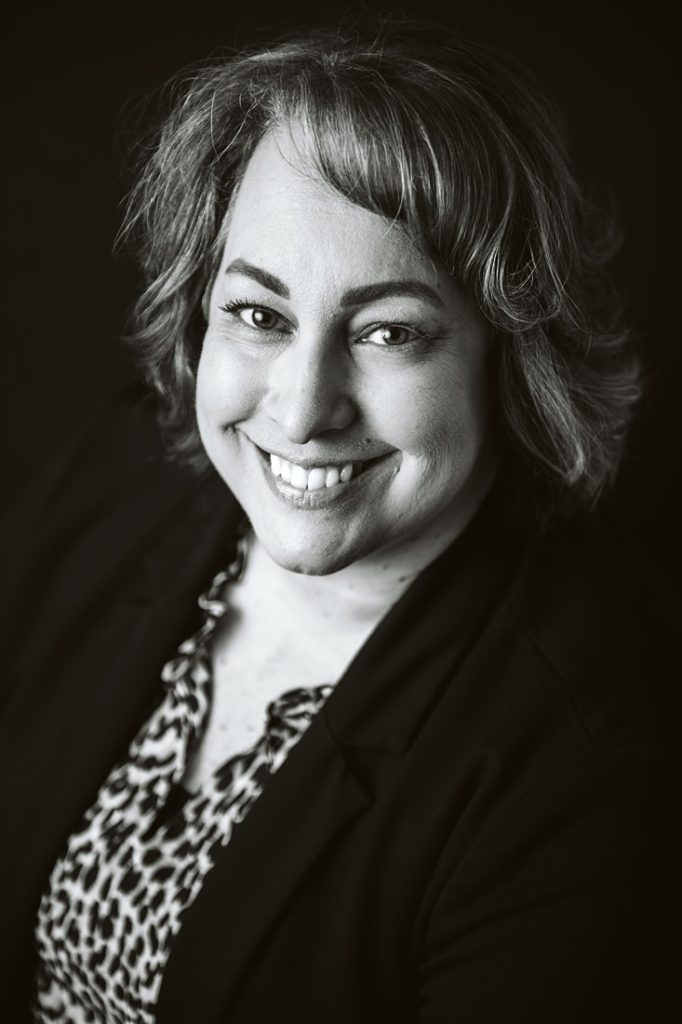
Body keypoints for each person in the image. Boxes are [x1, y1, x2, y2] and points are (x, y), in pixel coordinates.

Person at [0, 17, 662, 1023]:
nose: (303, 409)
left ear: (508, 356)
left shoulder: (586, 755)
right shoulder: (123, 471)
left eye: (389, 331)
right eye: (259, 315)